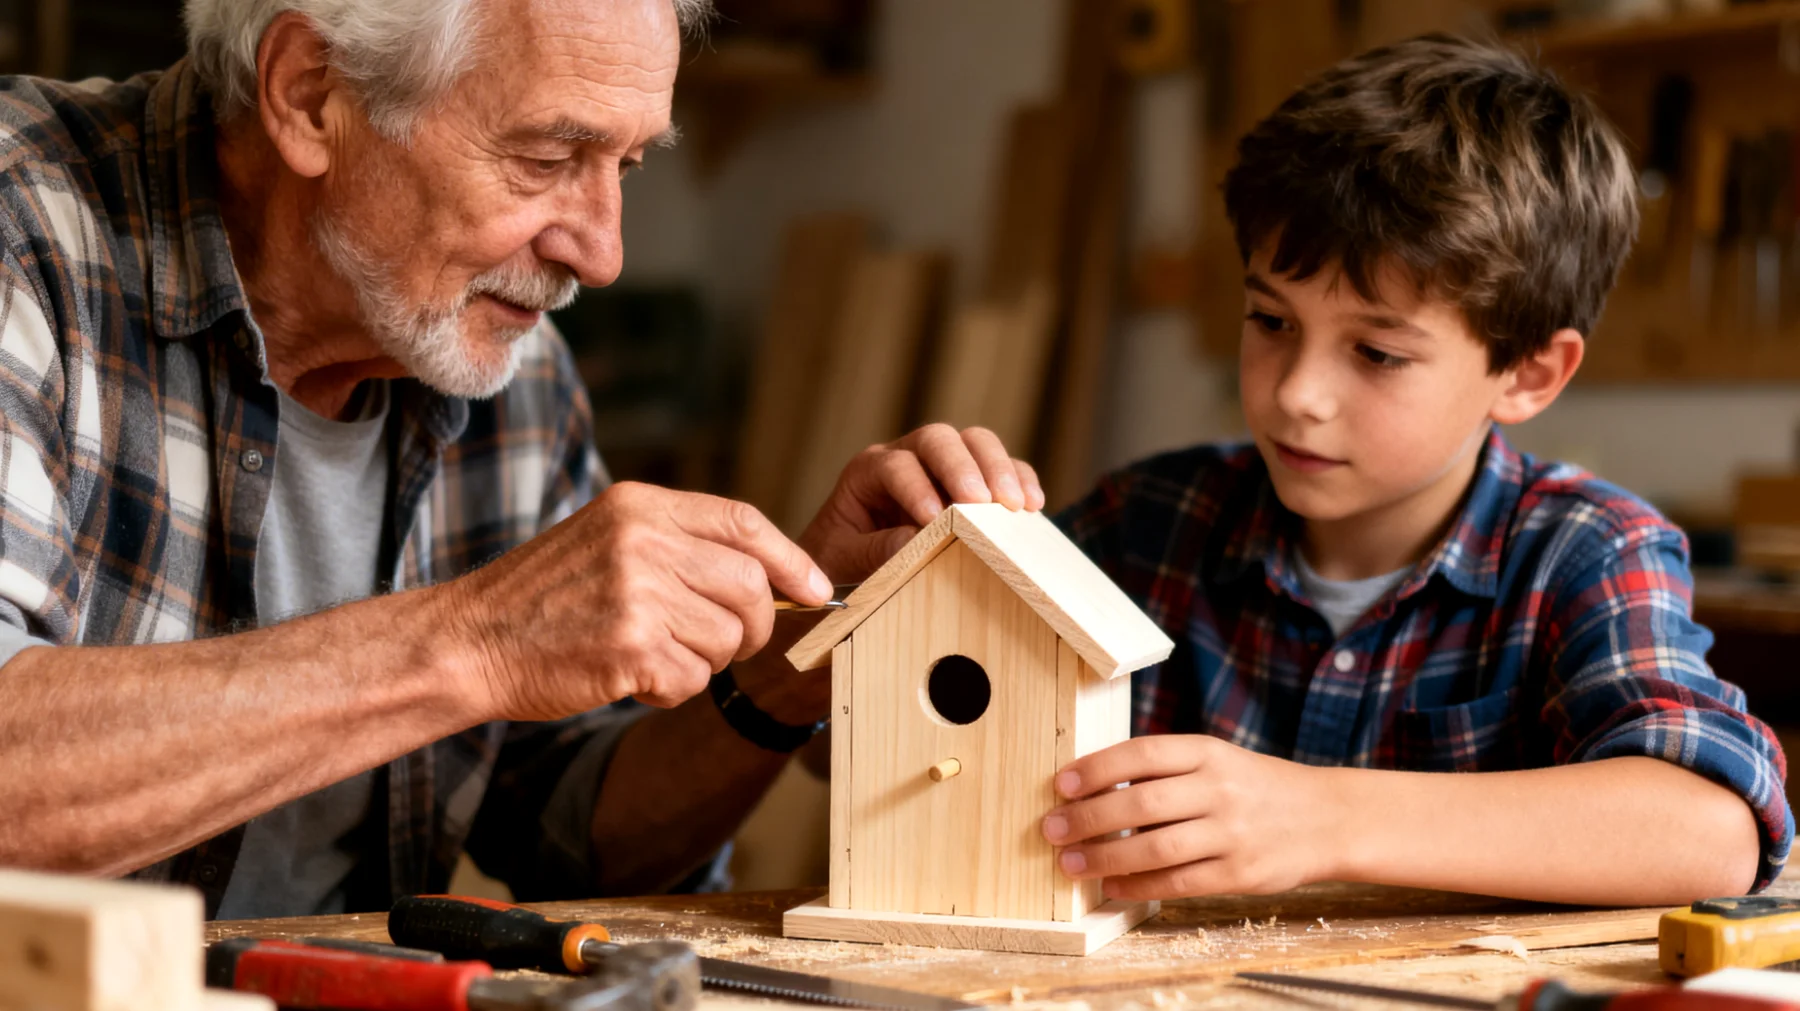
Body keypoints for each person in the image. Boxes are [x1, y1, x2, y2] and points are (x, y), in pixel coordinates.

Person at [0, 0, 1042, 918]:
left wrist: (797, 657)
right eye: (547, 160)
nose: (602, 251)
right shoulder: (25, 230)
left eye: (627, 166)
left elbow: (573, 837)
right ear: (311, 95)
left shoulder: (503, 360)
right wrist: (478, 643)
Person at [1044, 34, 1791, 905]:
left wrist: (1325, 817)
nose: (1298, 395)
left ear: (1527, 374)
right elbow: (853, 737)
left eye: (1376, 352)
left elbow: (1711, 830)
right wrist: (857, 587)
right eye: (1271, 320)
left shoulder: (1582, 550)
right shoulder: (1149, 520)